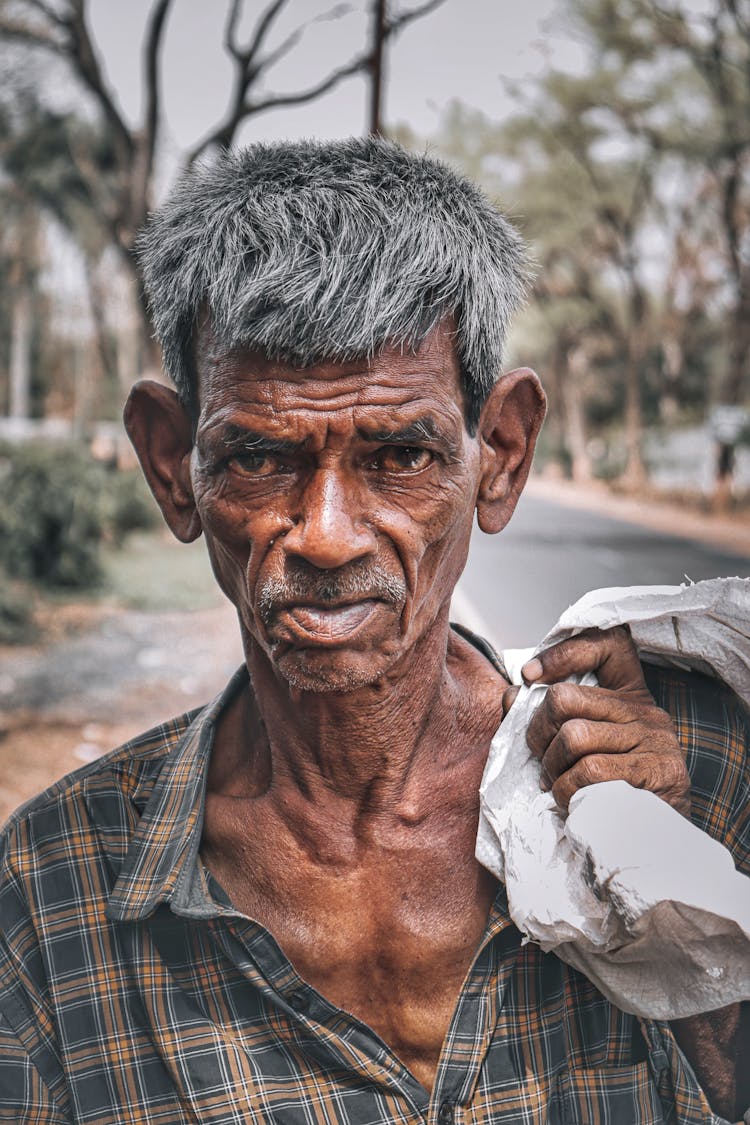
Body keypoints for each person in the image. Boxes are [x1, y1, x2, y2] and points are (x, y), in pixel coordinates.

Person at [0, 137, 747, 1125]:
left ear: (502, 457)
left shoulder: (700, 778)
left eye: (402, 453)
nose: (325, 535)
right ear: (173, 466)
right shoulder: (52, 894)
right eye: (261, 457)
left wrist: (681, 902)